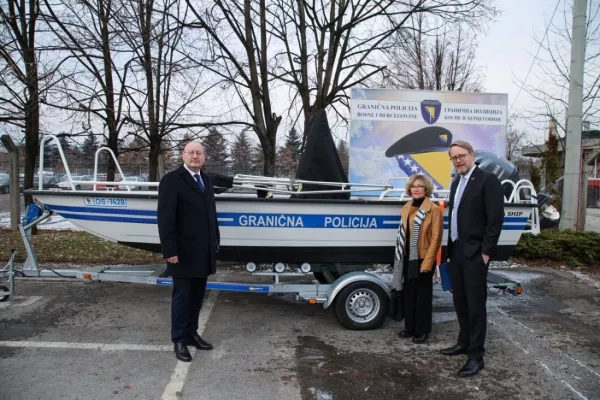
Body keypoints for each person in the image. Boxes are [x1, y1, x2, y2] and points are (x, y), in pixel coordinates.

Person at [440, 140, 504, 377]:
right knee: (460, 302)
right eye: (454, 157)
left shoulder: (487, 180)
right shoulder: (456, 182)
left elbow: (495, 219)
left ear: (471, 155)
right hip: (456, 252)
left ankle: (476, 356)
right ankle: (464, 342)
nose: (458, 160)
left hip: (476, 254)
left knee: (476, 305)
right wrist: (449, 252)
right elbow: (454, 218)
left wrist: (486, 253)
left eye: (461, 156)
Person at [157, 141, 220, 362]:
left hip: (203, 251)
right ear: (183, 155)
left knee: (197, 297)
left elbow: (211, 214)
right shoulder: (172, 180)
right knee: (182, 298)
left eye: (199, 153)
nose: (195, 156)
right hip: (182, 252)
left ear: (204, 157)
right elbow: (165, 219)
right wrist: (169, 250)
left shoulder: (206, 180)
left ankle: (192, 334)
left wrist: (215, 242)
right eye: (191, 153)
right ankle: (179, 340)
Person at [392, 174, 443, 344]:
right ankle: (410, 327)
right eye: (413, 186)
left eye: (420, 186)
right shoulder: (407, 206)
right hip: (407, 258)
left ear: (426, 188)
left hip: (422, 258)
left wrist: (428, 263)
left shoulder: (433, 209)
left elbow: (436, 238)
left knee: (423, 297)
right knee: (409, 294)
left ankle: (422, 330)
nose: (416, 188)